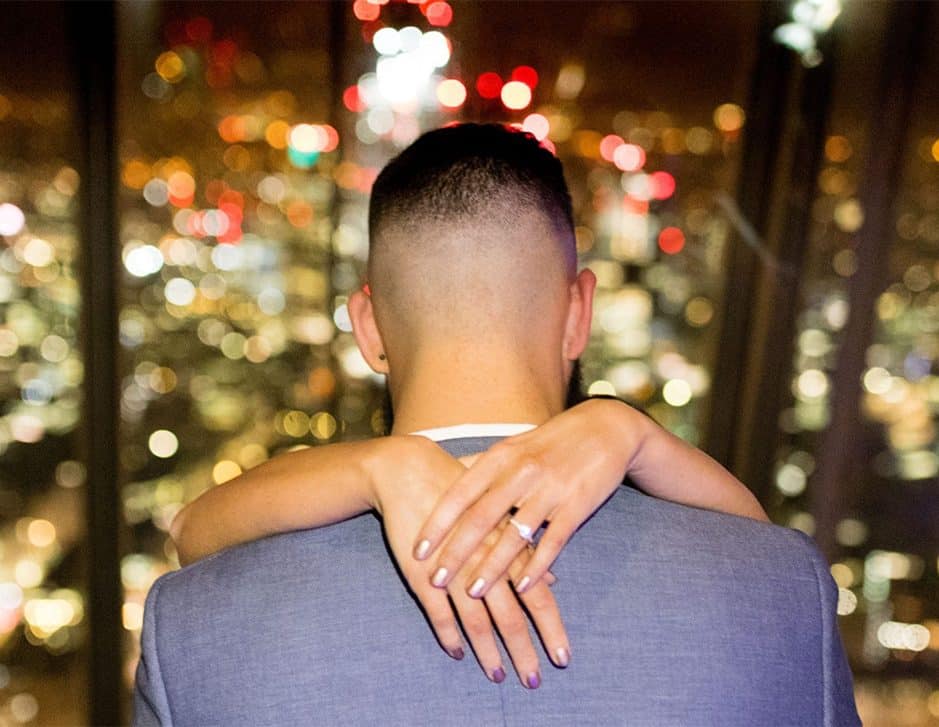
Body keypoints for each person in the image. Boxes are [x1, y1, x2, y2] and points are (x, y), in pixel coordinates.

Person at [134, 123, 860, 726]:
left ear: (368, 327)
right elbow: (766, 549)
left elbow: (191, 531)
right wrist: (631, 430)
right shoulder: (779, 587)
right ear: (579, 312)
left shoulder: (190, 625)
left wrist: (373, 462)